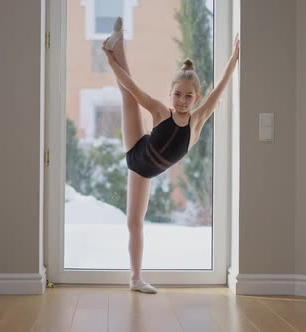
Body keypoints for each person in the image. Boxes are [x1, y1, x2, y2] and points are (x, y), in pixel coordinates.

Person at [102, 17, 240, 294]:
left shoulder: (198, 121)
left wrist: (235, 57)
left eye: (188, 96)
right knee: (128, 97)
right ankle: (116, 44)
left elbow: (220, 88)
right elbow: (132, 86)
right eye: (177, 94)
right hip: (136, 150)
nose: (182, 100)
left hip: (144, 172)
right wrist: (110, 61)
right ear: (170, 94)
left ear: (196, 98)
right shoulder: (160, 112)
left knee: (135, 223)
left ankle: (135, 278)